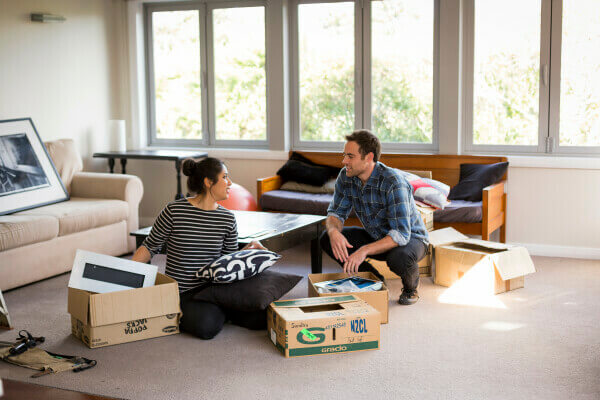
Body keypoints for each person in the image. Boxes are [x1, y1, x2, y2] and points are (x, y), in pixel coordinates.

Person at [131, 157, 266, 339]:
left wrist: (249, 251)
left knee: (263, 317)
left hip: (215, 290)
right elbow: (150, 246)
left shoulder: (227, 218)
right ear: (208, 182)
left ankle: (225, 311)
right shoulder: (174, 211)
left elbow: (228, 262)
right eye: (225, 177)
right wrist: (126, 274)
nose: (230, 183)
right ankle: (223, 313)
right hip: (184, 293)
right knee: (207, 326)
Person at [320, 130, 429, 305]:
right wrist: (333, 232)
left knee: (398, 258)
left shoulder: (394, 183)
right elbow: (336, 213)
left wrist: (363, 251)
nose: (344, 161)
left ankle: (410, 289)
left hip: (410, 239)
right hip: (377, 236)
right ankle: (375, 281)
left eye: (350, 156)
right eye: (344, 155)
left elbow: (400, 235)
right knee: (326, 238)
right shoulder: (346, 176)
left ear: (368, 157)